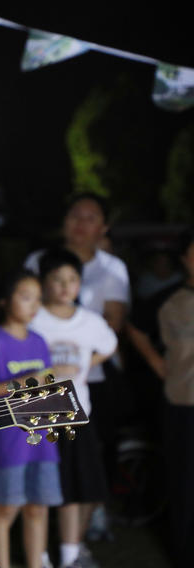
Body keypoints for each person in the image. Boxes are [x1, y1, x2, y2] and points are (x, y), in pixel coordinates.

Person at [23, 192, 129, 540]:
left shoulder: (112, 268)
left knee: (93, 454)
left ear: (104, 227)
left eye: (90, 217)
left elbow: (114, 322)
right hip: (43, 384)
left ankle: (89, 520)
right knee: (44, 457)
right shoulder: (39, 260)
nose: (81, 224)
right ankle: (41, 533)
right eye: (75, 216)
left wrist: (82, 363)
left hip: (92, 379)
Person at [29, 249, 117, 568]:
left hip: (77, 417)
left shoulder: (90, 322)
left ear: (80, 282)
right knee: (38, 490)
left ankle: (69, 555)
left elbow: (109, 346)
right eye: (57, 279)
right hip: (37, 418)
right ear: (43, 282)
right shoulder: (33, 318)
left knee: (75, 488)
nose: (66, 287)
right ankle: (37, 555)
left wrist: (85, 364)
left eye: (72, 279)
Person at [0, 270, 61, 568]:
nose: (34, 305)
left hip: (42, 437)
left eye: (38, 299)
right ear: (5, 301)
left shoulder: (39, 341)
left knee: (38, 507)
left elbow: (46, 383)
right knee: (6, 508)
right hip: (7, 439)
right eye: (25, 297)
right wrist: (21, 383)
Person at [154, 229, 194, 568]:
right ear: (185, 258)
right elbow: (134, 327)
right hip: (185, 404)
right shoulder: (169, 300)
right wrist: (159, 365)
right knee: (185, 483)